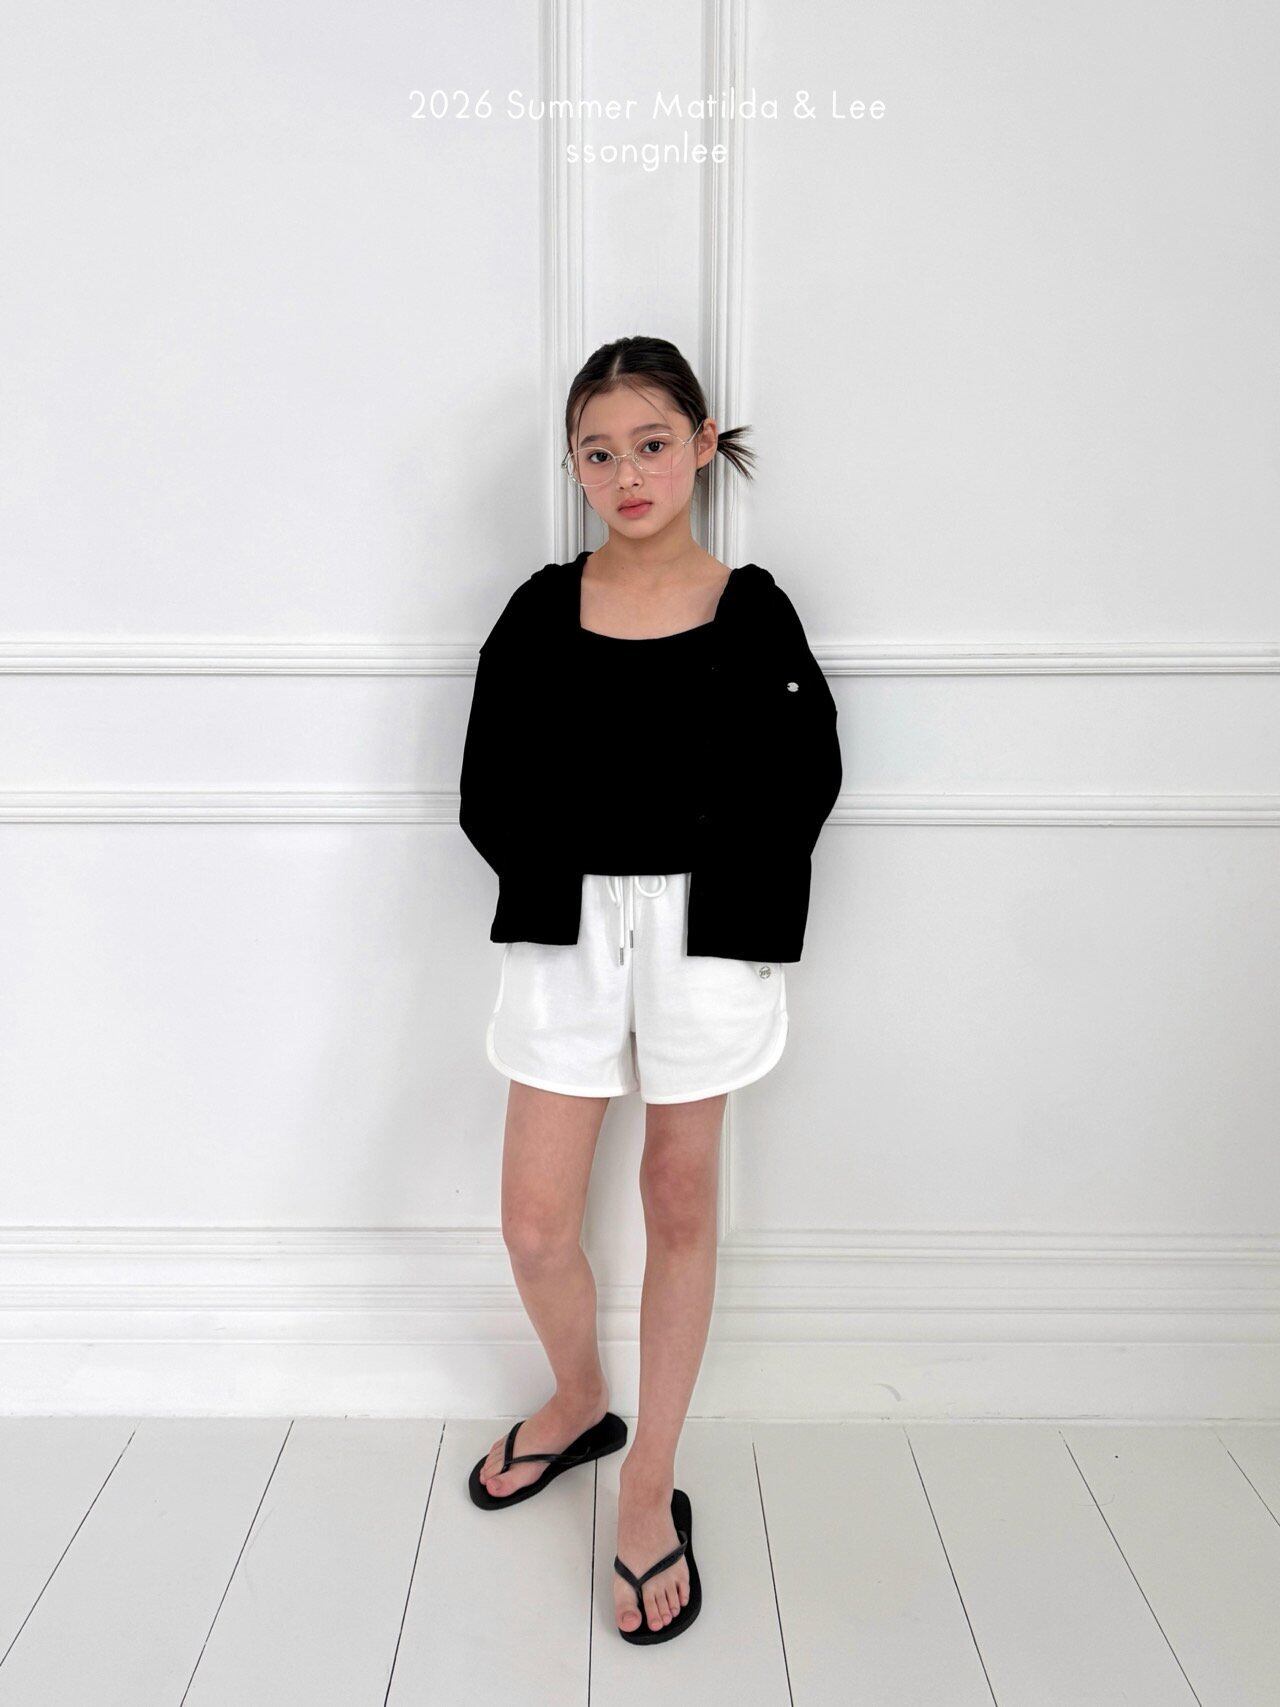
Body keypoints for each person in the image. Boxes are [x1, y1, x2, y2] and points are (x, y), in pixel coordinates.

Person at [458, 334, 842, 1644]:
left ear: (702, 445)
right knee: (533, 1223)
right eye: (599, 451)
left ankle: (648, 1479)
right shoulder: (538, 610)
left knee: (679, 1197)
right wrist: (570, 871)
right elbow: (489, 783)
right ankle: (579, 1400)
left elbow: (805, 778)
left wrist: (710, 884)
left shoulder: (753, 607)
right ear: (574, 466)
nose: (626, 472)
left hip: (708, 927)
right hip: (566, 927)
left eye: (652, 444)